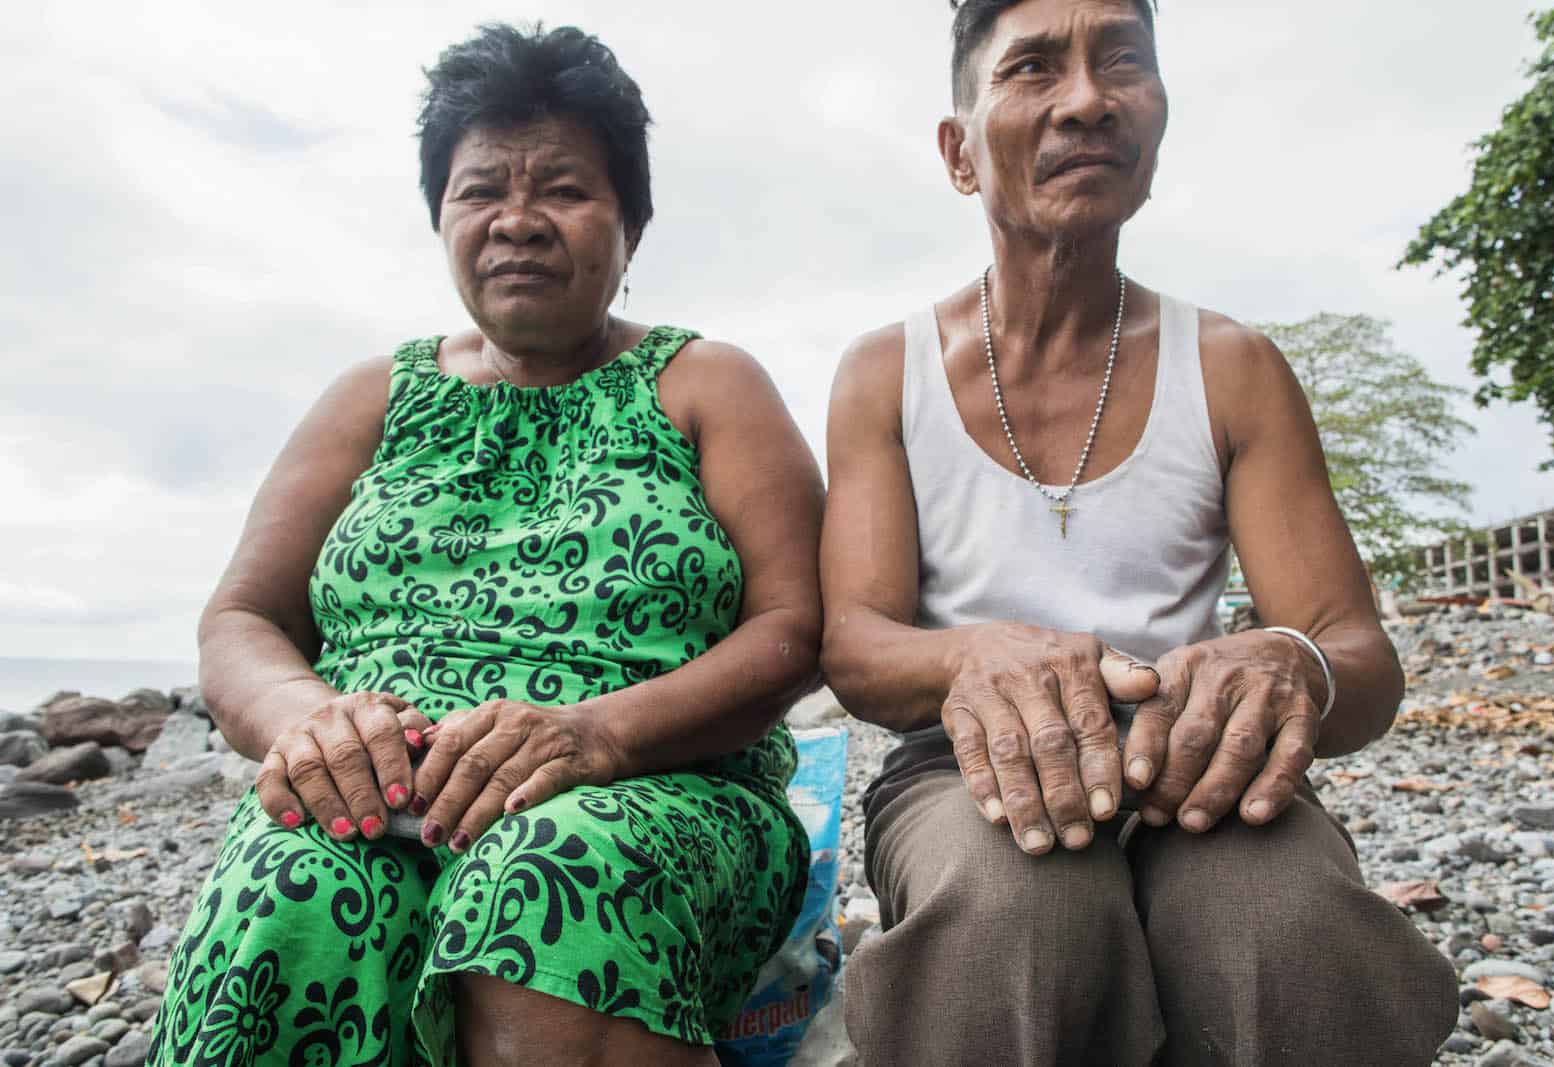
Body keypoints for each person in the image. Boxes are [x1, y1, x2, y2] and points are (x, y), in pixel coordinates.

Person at [148, 23, 823, 1067]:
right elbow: (242, 619)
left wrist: (598, 734)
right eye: (478, 192)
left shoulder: (706, 385)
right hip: (373, 796)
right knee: (300, 893)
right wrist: (311, 720)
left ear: (630, 225)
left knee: (550, 886)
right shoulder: (373, 395)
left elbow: (795, 625)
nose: (517, 221)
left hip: (650, 789)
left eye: (562, 188)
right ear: (440, 219)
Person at [820, 1, 1458, 1063]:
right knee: (1005, 917)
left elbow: (1357, 657)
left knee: (1286, 929)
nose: (1088, 100)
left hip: (1200, 758)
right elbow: (855, 645)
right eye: (1033, 68)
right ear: (958, 152)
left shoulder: (1233, 366)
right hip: (959, 761)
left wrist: (1284, 660)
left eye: (1123, 60)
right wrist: (976, 653)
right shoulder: (885, 373)